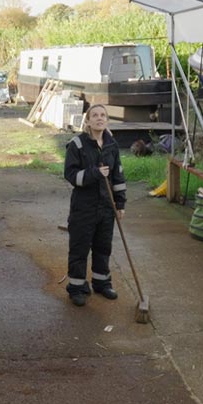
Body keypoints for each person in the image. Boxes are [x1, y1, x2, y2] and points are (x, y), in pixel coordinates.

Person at [63, 104, 127, 306]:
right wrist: (94, 173)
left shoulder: (111, 145)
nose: (99, 118)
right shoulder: (77, 145)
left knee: (103, 247)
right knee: (79, 248)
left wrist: (120, 203)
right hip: (84, 208)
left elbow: (118, 176)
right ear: (88, 121)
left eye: (103, 115)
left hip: (106, 208)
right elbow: (71, 176)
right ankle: (77, 287)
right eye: (95, 115)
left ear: (107, 120)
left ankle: (101, 282)